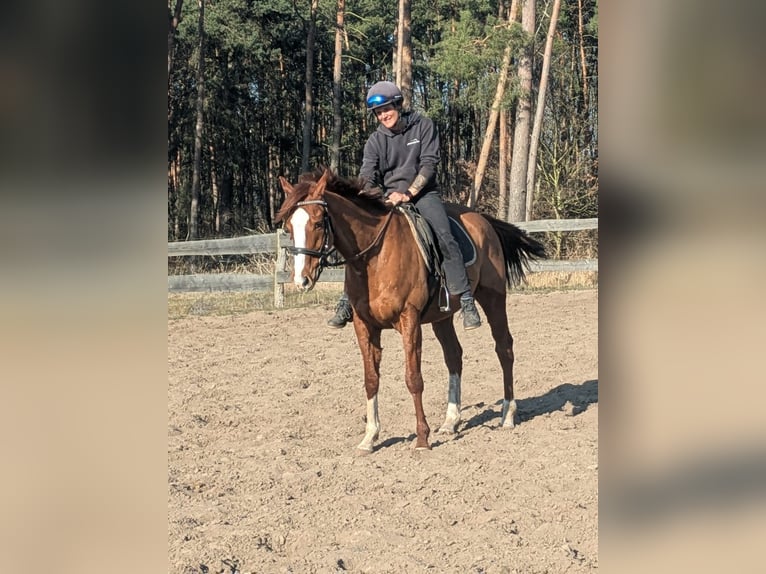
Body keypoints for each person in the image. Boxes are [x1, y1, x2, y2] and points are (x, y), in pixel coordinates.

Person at [327, 80, 482, 330]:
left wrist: (408, 193)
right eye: (378, 112)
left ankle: (465, 299)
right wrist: (379, 197)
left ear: (399, 105)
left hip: (423, 195)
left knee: (444, 235)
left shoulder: (423, 126)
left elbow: (429, 165)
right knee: (358, 241)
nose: (383, 115)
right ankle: (347, 300)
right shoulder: (375, 141)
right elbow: (367, 176)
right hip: (387, 199)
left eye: (387, 108)